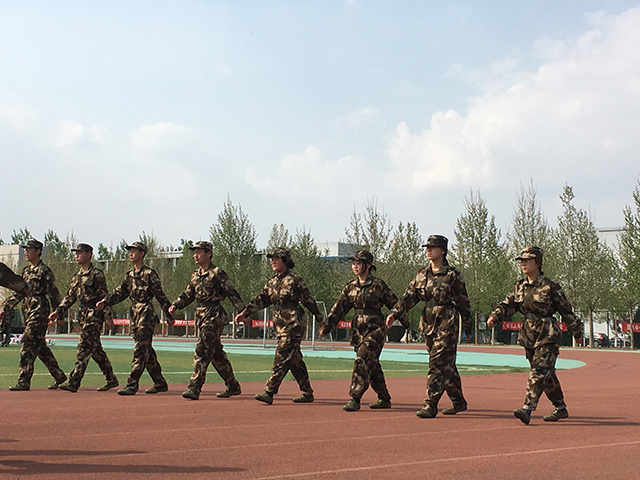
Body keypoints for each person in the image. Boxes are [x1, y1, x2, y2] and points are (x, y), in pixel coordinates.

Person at [487, 246, 582, 425]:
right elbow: (508, 305)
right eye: (521, 261)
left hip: (548, 334)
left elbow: (566, 311)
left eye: (527, 260)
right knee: (547, 376)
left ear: (537, 263)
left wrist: (577, 332)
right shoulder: (520, 286)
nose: (523, 263)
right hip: (529, 335)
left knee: (538, 371)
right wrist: (495, 316)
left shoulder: (550, 286)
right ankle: (560, 408)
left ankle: (527, 409)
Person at [386, 235, 472, 418]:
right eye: (427, 247)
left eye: (432, 247)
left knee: (437, 362)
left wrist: (468, 326)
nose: (428, 250)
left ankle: (430, 403)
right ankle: (458, 401)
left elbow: (464, 302)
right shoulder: (421, 274)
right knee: (446, 364)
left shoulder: (452, 275)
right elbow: (409, 296)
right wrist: (395, 313)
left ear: (443, 251)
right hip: (428, 323)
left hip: (447, 321)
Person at [234, 247, 323, 405]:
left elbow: (308, 300)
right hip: (280, 324)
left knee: (282, 356)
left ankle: (269, 391)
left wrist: (320, 317)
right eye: (271, 259)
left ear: (286, 261)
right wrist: (246, 313)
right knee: (294, 359)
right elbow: (261, 299)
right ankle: (307, 392)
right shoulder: (272, 282)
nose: (273, 261)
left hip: (294, 323)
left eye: (277, 258)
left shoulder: (295, 280)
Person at [320, 250, 406, 411]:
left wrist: (402, 321)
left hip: (375, 330)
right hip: (358, 331)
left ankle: (355, 398)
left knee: (361, 360)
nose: (355, 266)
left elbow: (396, 303)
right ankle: (384, 398)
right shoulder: (350, 287)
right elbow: (339, 308)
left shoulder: (378, 285)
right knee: (372, 365)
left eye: (358, 263)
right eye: (353, 263)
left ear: (368, 265)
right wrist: (327, 326)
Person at [169, 241, 245, 400]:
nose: (195, 255)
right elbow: (188, 294)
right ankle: (233, 385)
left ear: (208, 254)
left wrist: (243, 311)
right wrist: (176, 305)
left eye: (199, 252)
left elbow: (232, 292)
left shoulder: (217, 273)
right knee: (216, 355)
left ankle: (194, 387)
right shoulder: (196, 275)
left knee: (202, 350)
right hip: (201, 316)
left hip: (214, 316)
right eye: (194, 252)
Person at [96, 241, 174, 395]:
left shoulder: (149, 274)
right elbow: (120, 293)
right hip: (135, 314)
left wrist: (169, 314)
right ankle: (160, 382)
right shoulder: (129, 275)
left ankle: (132, 384)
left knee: (140, 349)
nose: (131, 253)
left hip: (146, 314)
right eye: (130, 250)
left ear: (142, 253)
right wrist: (105, 302)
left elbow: (160, 295)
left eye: (134, 250)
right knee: (146, 351)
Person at [48, 243, 119, 392]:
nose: (77, 255)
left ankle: (74, 382)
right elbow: (70, 297)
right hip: (83, 315)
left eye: (80, 252)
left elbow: (103, 296)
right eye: (76, 253)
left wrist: (108, 317)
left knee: (84, 348)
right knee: (95, 350)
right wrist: (58, 311)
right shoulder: (77, 276)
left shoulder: (96, 274)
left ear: (89, 254)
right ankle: (111, 379)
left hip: (94, 315)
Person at [0, 239, 67, 391]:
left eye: (29, 249)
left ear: (38, 251)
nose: (26, 251)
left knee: (28, 343)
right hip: (27, 311)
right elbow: (19, 291)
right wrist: (7, 307)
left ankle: (24, 381)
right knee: (40, 346)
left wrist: (60, 314)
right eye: (25, 249)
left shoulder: (44, 271)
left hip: (40, 311)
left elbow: (54, 294)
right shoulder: (26, 271)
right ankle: (59, 375)